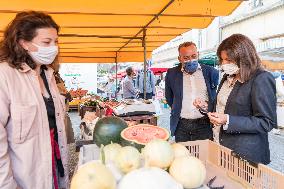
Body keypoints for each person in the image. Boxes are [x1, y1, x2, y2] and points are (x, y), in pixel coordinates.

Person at [0, 11, 69, 188]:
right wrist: (7, 185)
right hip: (24, 178)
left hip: (53, 167)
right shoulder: (5, 76)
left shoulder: (48, 75)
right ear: (23, 43)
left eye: (56, 42)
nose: (54, 47)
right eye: (46, 42)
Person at [194, 34, 277, 165]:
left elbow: (266, 122)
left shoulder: (261, 78)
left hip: (244, 154)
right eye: (222, 60)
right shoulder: (227, 77)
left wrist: (228, 120)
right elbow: (223, 105)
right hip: (219, 145)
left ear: (243, 58)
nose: (223, 64)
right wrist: (206, 106)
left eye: (228, 60)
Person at [165, 41, 219, 142]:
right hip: (181, 126)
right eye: (186, 58)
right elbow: (169, 98)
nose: (191, 60)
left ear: (198, 55)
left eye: (194, 56)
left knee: (203, 156)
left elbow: (214, 97)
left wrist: (206, 106)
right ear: (179, 58)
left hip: (204, 125)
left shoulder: (211, 72)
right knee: (182, 155)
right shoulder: (171, 74)